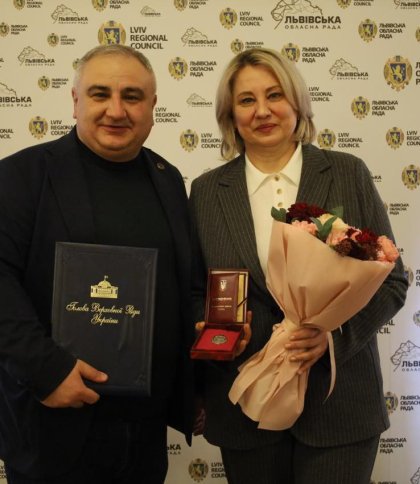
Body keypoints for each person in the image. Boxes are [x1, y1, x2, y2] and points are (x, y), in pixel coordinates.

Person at [190, 48, 408, 484]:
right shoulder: (207, 191)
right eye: (247, 100)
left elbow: (392, 282)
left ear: (297, 103)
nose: (262, 110)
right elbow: (197, 290)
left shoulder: (347, 172)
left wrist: (333, 337)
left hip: (340, 404)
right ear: (230, 114)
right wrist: (217, 333)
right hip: (246, 406)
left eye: (275, 95)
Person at [0, 44, 194, 483]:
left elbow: (179, 291)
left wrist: (195, 383)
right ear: (75, 101)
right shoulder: (20, 176)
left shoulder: (168, 180)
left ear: (153, 106)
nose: (116, 110)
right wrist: (47, 371)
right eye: (100, 94)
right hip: (52, 427)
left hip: (144, 435)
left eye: (132, 96)